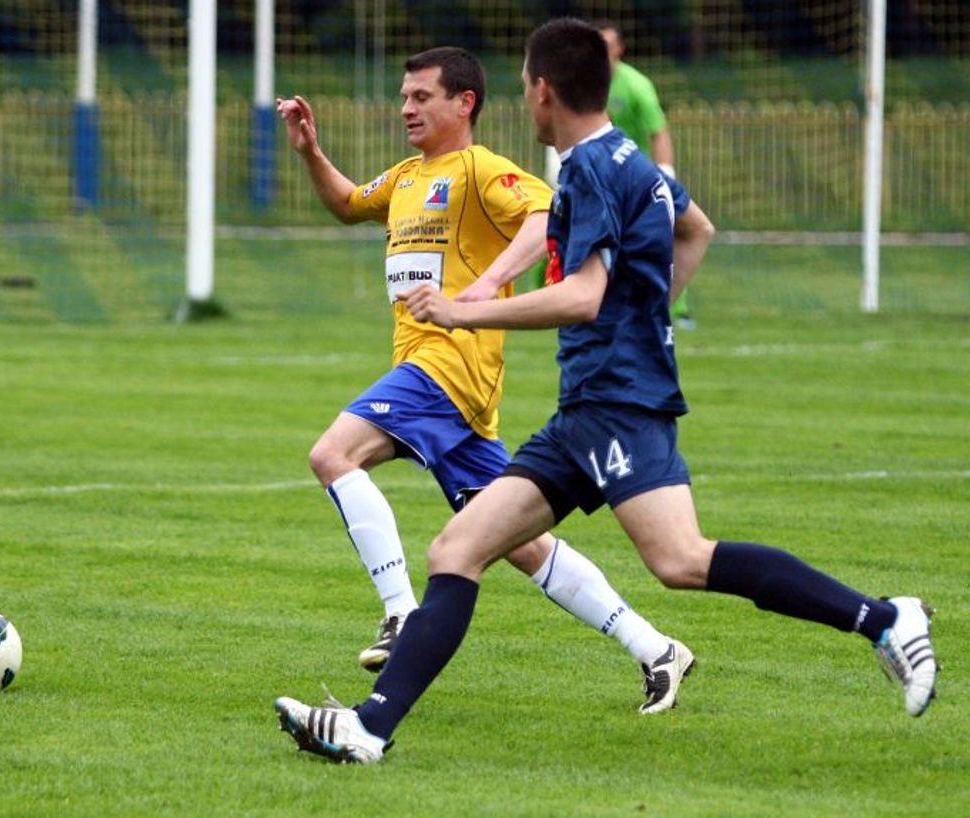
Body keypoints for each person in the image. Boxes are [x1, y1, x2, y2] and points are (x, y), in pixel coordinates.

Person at [274, 19, 938, 765]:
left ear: (544, 90)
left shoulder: (586, 169)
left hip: (617, 405)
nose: (525, 101)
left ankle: (885, 618)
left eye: (526, 86)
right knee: (458, 548)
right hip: (585, 410)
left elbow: (584, 296)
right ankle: (369, 728)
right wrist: (646, 320)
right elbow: (697, 230)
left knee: (681, 559)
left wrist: (470, 305)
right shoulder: (633, 161)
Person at [275, 46, 694, 714]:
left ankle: (400, 612)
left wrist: (489, 283)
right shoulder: (410, 176)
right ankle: (656, 649)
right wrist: (310, 153)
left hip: (447, 366)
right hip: (440, 382)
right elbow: (351, 205)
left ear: (463, 103)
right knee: (522, 544)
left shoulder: (478, 170)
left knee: (333, 453)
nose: (406, 107)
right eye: (404, 96)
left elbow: (544, 210)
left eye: (421, 96)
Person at [594, 19, 693, 330]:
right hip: (598, 178)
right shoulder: (583, 83)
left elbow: (658, 132)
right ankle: (544, 291)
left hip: (635, 181)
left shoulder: (636, 85)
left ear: (620, 49)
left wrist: (665, 173)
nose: (603, 53)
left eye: (608, 47)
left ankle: (678, 308)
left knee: (660, 239)